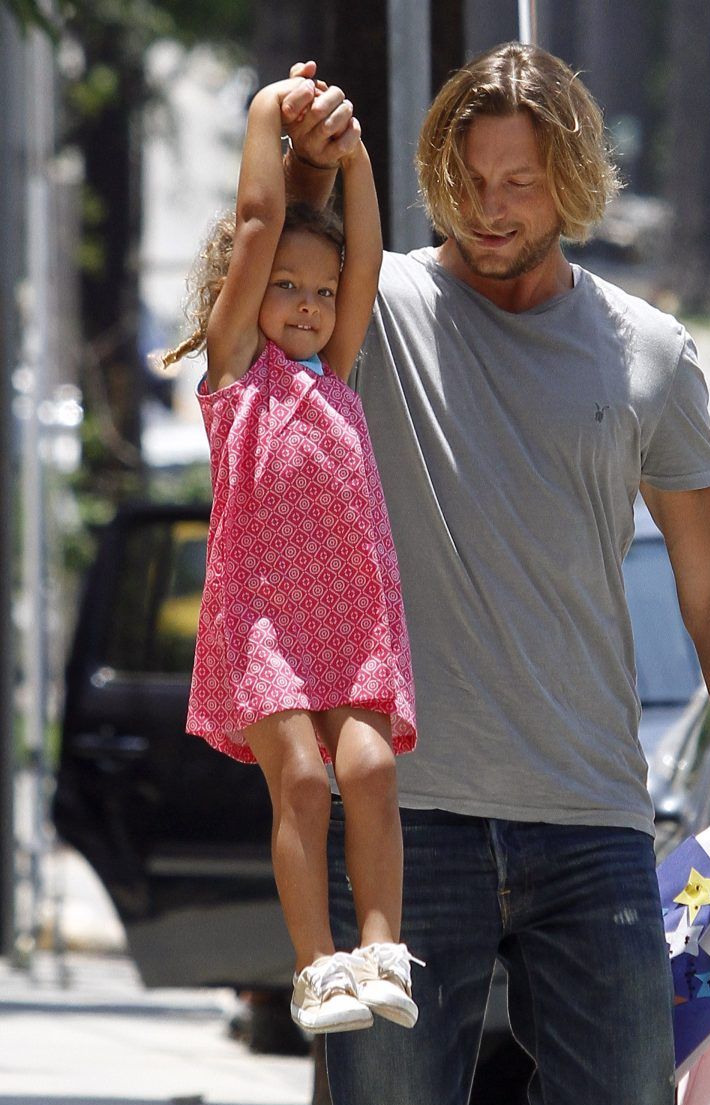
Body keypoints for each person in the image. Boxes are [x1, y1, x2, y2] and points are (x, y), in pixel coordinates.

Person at [283, 43, 710, 1105]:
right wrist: (291, 137)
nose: (491, 206)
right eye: (468, 178)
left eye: (520, 179)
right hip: (407, 820)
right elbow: (273, 270)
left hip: (593, 824)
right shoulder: (385, 305)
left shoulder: (647, 351)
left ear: (570, 180)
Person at [161, 76, 421, 1037]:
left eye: (321, 291)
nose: (312, 305)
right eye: (287, 288)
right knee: (303, 784)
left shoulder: (337, 370)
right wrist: (270, 114)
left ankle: (381, 950)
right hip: (263, 616)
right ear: (246, 290)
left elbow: (370, 264)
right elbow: (263, 216)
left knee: (370, 771)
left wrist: (352, 158)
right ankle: (315, 967)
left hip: (349, 614)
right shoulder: (236, 376)